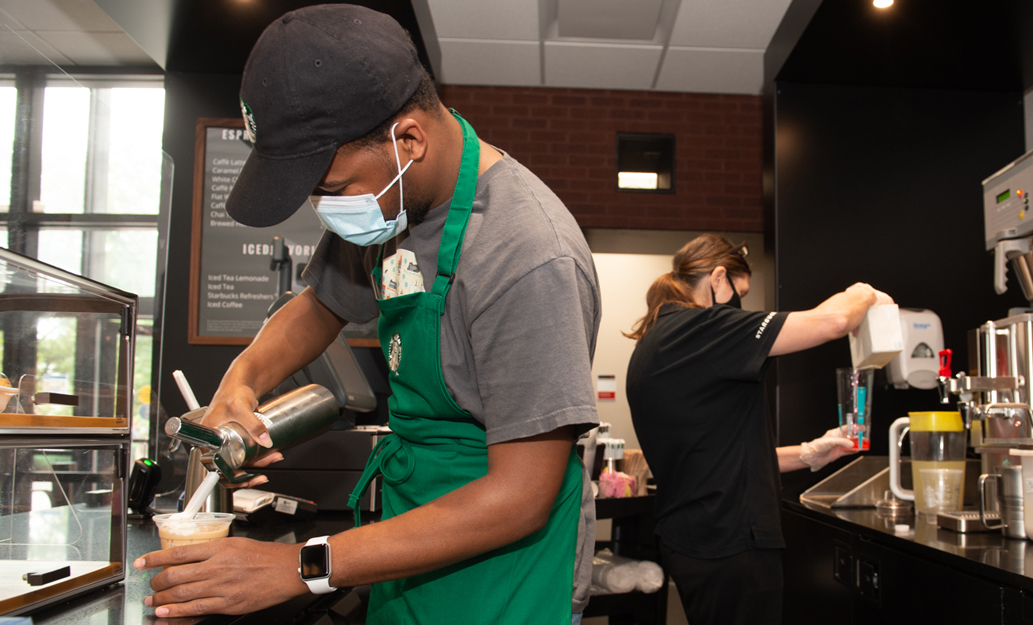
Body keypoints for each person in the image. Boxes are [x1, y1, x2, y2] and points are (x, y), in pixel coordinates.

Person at [137, 6, 601, 624]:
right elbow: (321, 304)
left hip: (502, 571)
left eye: (331, 187)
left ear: (407, 140)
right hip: (406, 543)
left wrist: (298, 568)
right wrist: (240, 382)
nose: (321, 207)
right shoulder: (395, 198)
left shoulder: (526, 253)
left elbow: (519, 498)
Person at [625, 234, 892, 625]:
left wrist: (807, 452)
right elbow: (835, 320)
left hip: (698, 538)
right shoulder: (699, 329)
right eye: (739, 291)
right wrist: (864, 293)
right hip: (729, 541)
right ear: (718, 278)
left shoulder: (661, 341)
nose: (739, 304)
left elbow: (715, 456)